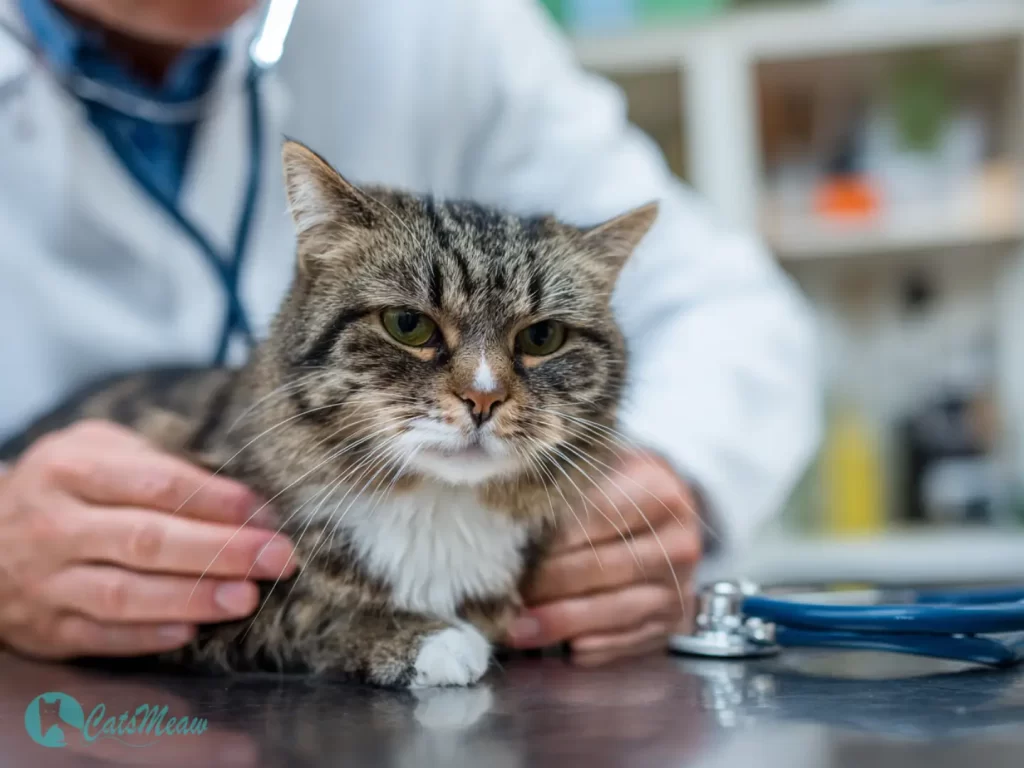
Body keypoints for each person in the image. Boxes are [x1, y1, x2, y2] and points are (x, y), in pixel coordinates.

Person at [0, 0, 821, 666]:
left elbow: (729, 308)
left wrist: (675, 476)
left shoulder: (442, 22)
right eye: (409, 325)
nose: (482, 389)